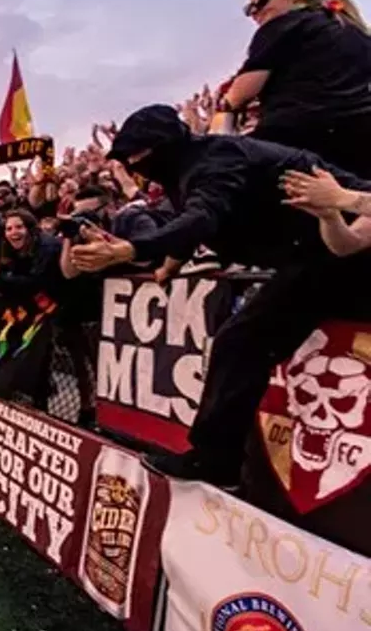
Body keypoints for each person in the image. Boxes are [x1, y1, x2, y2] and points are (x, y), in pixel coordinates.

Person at [70, 104, 371, 487]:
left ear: (162, 147)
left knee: (240, 342)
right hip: (326, 250)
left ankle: (217, 461)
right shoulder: (193, 168)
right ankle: (222, 460)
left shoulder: (215, 161)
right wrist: (169, 264)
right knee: (240, 340)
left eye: (138, 156)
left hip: (333, 255)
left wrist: (130, 250)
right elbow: (201, 220)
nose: (132, 165)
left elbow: (203, 217)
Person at [221, 0, 371, 176]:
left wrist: (225, 104)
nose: (255, 13)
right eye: (249, 9)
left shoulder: (282, 26)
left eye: (260, 2)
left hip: (297, 138)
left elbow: (241, 94)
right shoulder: (357, 31)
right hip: (359, 140)